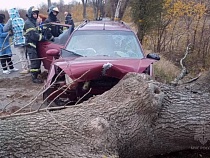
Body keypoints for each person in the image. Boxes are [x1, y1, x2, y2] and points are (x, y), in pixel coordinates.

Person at [3, 8, 29, 74]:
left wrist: (11, 31)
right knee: (26, 55)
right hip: (25, 40)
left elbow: (5, 29)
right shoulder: (21, 19)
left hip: (17, 41)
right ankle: (29, 67)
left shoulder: (11, 20)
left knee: (21, 56)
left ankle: (25, 68)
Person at [24, 6, 45, 83]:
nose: (35, 15)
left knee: (38, 61)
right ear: (30, 14)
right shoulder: (28, 23)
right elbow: (34, 36)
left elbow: (38, 32)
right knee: (34, 61)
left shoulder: (34, 22)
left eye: (36, 14)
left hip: (35, 45)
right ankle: (34, 78)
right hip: (31, 45)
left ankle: (38, 74)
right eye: (34, 14)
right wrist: (43, 38)